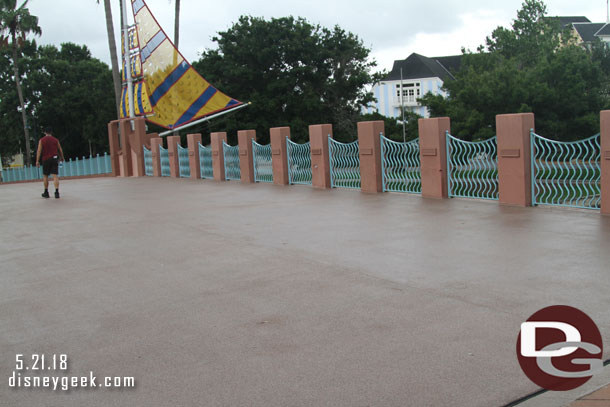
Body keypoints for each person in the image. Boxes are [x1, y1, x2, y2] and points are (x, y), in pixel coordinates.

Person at [35, 127, 65, 199]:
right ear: (51, 132)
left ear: (45, 132)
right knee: (55, 176)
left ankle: (46, 192)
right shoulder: (55, 140)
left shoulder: (42, 140)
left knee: (45, 176)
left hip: (46, 159)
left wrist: (37, 161)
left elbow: (39, 151)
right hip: (54, 158)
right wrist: (62, 157)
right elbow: (60, 149)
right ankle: (56, 192)